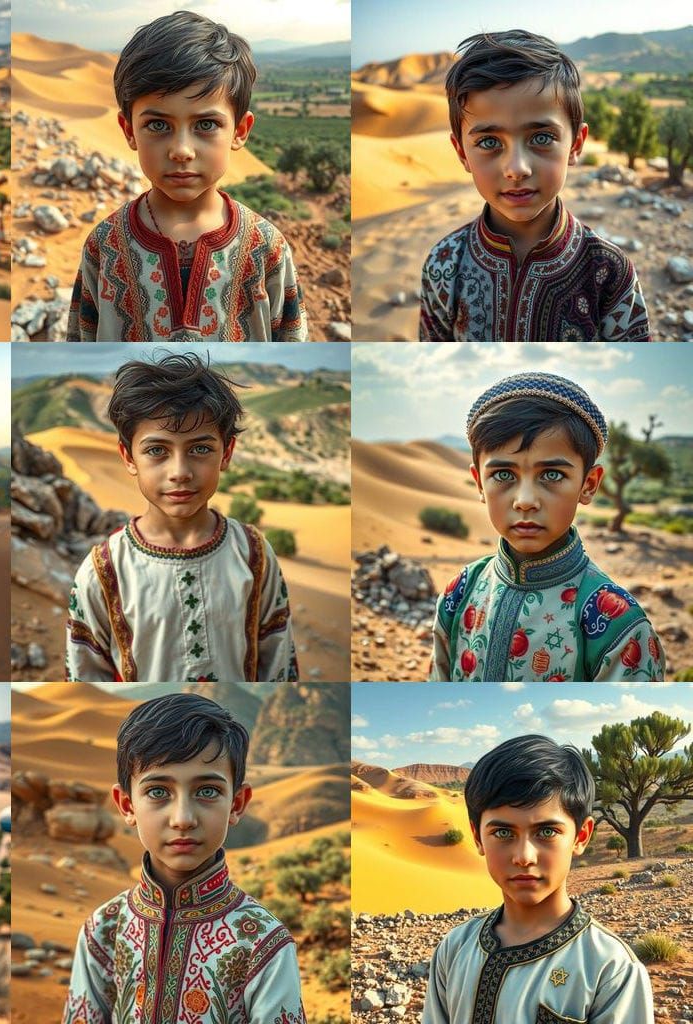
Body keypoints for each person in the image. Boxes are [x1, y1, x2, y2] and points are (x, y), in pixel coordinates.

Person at [62, 693, 307, 1023]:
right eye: (158, 792)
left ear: (236, 804)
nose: (182, 818)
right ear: (126, 805)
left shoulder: (263, 942)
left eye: (207, 791)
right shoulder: (104, 930)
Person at [66, 10, 308, 341]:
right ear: (129, 130)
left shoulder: (267, 247)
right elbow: (80, 340)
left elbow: (292, 345)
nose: (181, 150)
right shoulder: (104, 245)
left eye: (206, 125)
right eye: (158, 125)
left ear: (239, 131)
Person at [65, 353, 298, 682]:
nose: (180, 472)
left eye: (200, 449)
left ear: (226, 454)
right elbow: (84, 682)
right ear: (128, 457)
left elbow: (279, 668)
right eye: (157, 450)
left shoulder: (253, 554)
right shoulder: (104, 569)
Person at [430, 372, 664, 681]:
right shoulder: (460, 592)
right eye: (503, 475)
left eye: (552, 475)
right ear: (479, 483)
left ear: (589, 484)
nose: (525, 501)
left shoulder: (616, 622)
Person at [419, 30, 650, 342]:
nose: (517, 168)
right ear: (462, 152)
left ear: (575, 145)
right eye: (489, 142)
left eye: (541, 138)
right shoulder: (444, 263)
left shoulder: (610, 271)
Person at [422, 734, 653, 1023]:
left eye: (546, 832)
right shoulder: (455, 948)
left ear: (581, 836)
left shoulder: (610, 968)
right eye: (503, 833)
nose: (524, 856)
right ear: (477, 837)